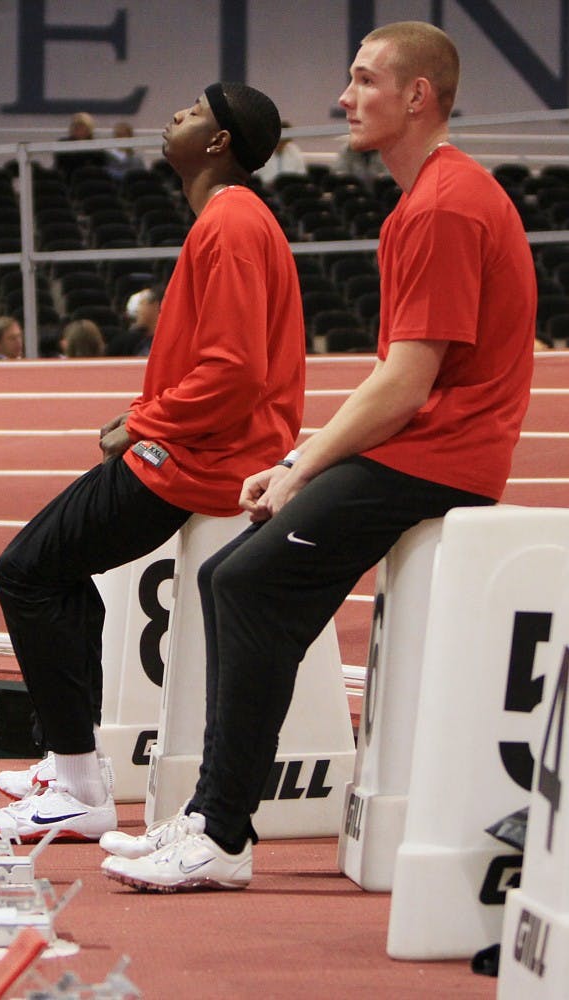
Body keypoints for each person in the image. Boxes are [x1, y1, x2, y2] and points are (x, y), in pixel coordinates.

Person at [100, 20, 537, 893]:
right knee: (243, 585)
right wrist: (306, 457)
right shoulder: (425, 199)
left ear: (417, 97)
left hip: (442, 455)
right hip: (426, 444)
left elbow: (407, 382)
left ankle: (221, 833)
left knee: (247, 585)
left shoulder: (446, 205)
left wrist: (299, 466)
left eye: (363, 80)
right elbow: (399, 380)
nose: (342, 98)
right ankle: (211, 816)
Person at [0, 82, 306, 843]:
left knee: (24, 571)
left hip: (200, 456)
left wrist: (141, 421)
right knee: (53, 570)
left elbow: (234, 371)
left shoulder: (231, 224)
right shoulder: (229, 219)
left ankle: (80, 785)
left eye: (189, 113)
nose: (171, 119)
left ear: (218, 144)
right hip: (196, 445)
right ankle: (70, 759)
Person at [106, 286, 163, 357]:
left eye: (141, 303)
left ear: (156, 305)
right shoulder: (124, 344)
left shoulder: (169, 342)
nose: (137, 310)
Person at [54, 112, 108, 181]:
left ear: (89, 129)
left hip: (91, 179)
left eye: (82, 127)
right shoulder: (63, 144)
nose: (79, 130)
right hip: (68, 178)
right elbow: (60, 165)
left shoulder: (97, 145)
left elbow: (101, 165)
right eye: (76, 127)